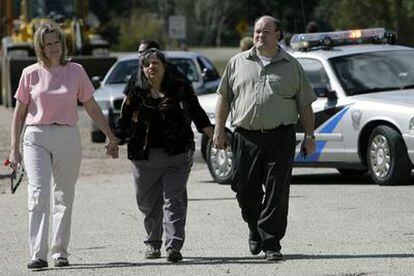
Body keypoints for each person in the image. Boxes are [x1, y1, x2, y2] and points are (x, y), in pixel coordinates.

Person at [8, 22, 119, 269]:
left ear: (63, 42)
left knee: (64, 195)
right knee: (38, 193)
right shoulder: (30, 74)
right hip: (35, 136)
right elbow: (18, 114)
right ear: (40, 47)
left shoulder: (76, 71)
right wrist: (13, 148)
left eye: (57, 41)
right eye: (48, 44)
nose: (54, 47)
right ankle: (38, 253)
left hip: (67, 135)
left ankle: (59, 252)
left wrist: (110, 135)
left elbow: (90, 105)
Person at [213, 15, 317, 261]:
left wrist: (310, 135)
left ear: (278, 35)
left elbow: (305, 105)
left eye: (266, 31)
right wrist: (219, 129)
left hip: (280, 136)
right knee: (244, 188)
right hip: (245, 136)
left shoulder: (292, 66)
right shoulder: (237, 62)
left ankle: (271, 243)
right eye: (257, 31)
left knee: (276, 190)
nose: (260, 35)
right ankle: (254, 227)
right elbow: (224, 98)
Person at [111, 49, 213, 262]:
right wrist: (115, 140)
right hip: (143, 157)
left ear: (165, 67)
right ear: (142, 69)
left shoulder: (179, 88)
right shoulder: (136, 92)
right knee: (148, 203)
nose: (151, 67)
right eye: (147, 64)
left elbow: (196, 111)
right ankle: (153, 242)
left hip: (177, 155)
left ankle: (173, 245)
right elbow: (125, 120)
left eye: (156, 63)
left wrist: (212, 133)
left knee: (173, 200)